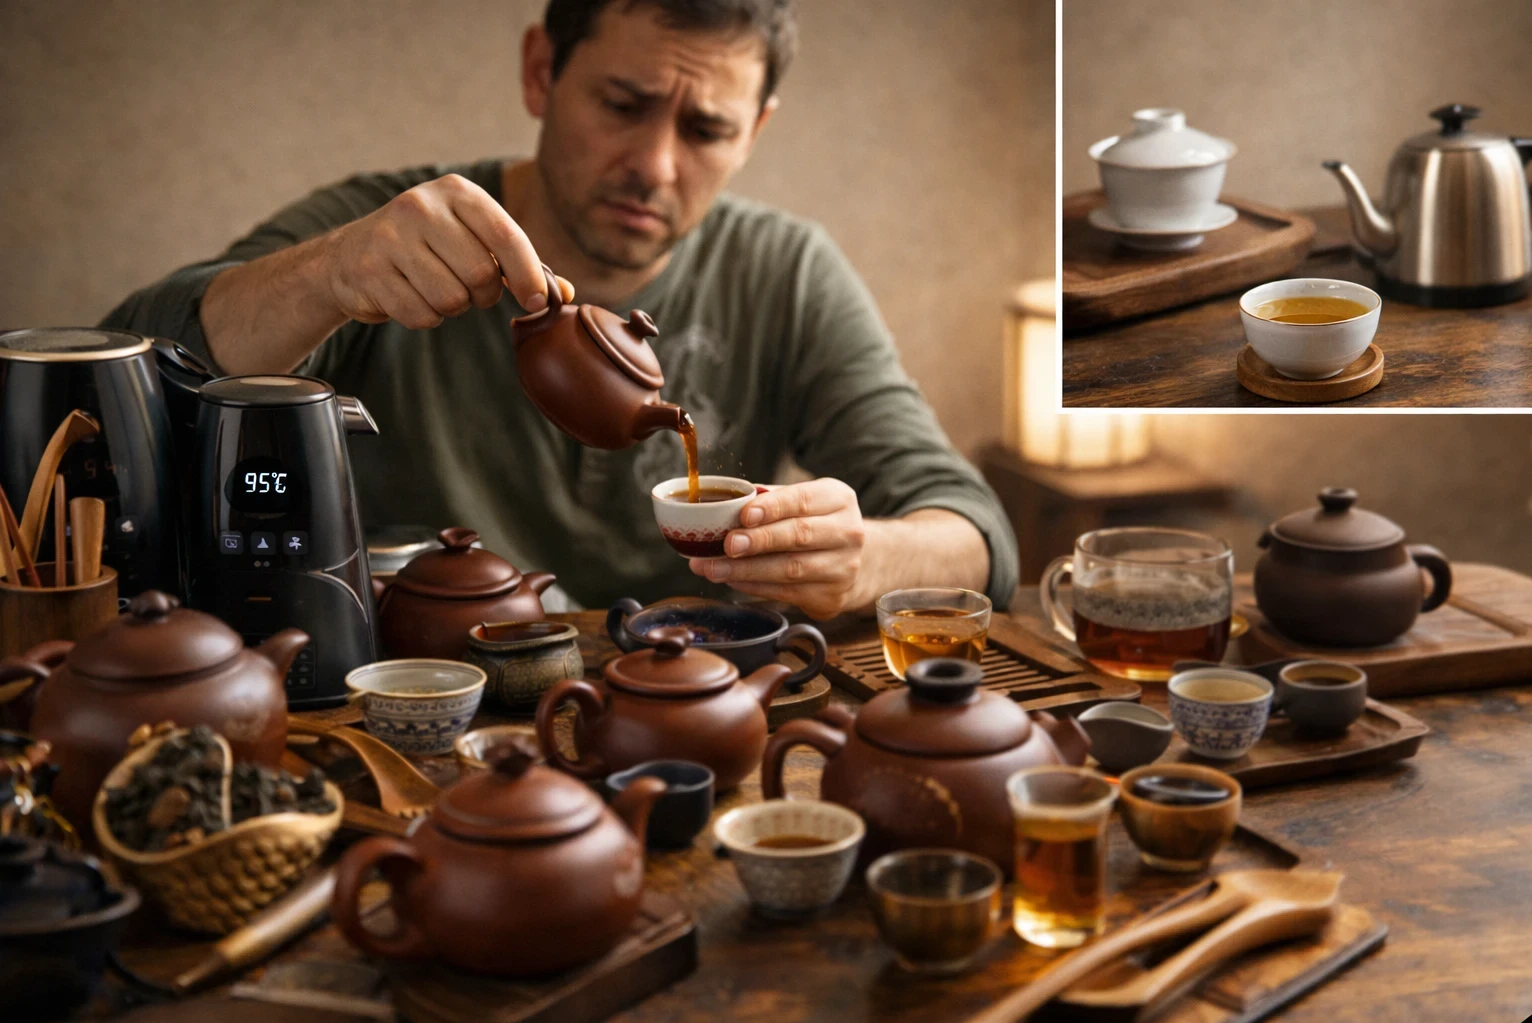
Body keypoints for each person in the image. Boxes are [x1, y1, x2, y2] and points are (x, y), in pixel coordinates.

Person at [104, 0, 1019, 619]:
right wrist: (324, 279)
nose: (656, 166)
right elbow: (124, 373)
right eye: (622, 104)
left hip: (685, 728)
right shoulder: (390, 233)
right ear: (542, 71)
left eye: (706, 130)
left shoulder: (785, 272)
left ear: (757, 132)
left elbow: (974, 534)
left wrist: (863, 559)